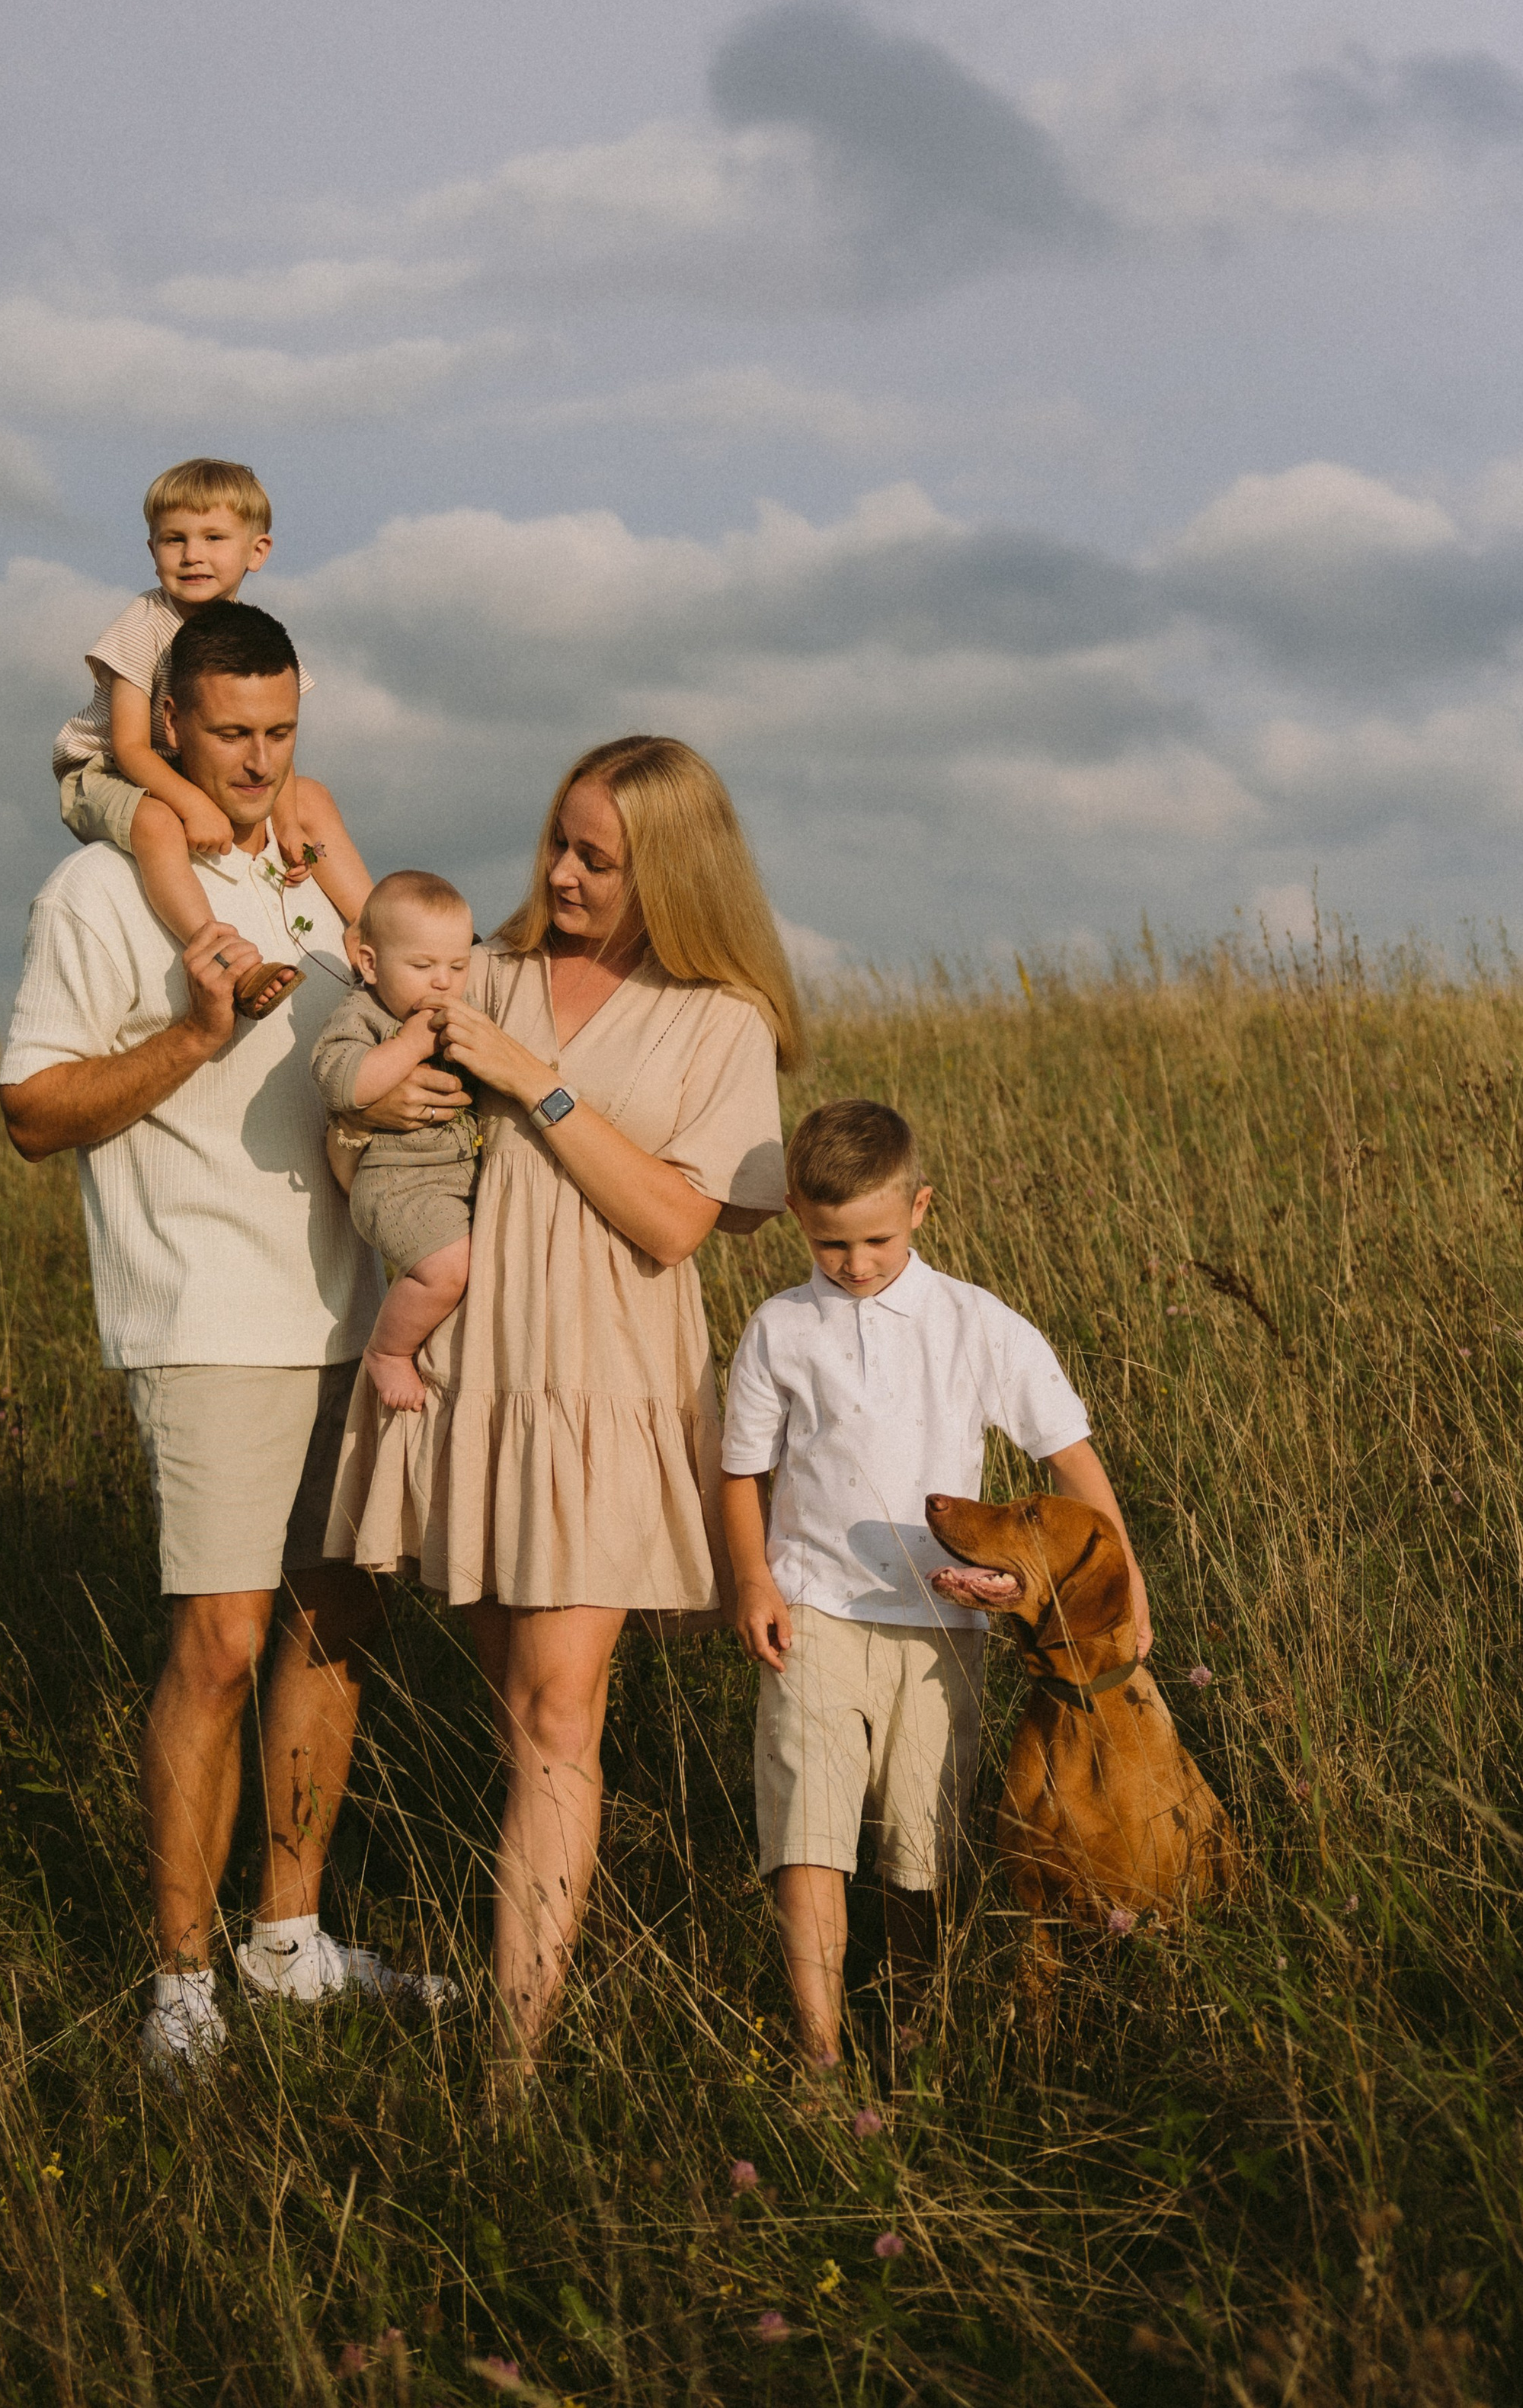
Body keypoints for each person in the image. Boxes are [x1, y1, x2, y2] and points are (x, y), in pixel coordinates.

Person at [0, 595, 459, 2076]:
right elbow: (30, 1112)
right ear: (169, 728)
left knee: (335, 1622)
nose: (258, 761)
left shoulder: (313, 880)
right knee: (217, 1642)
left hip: (355, 1311)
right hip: (205, 1311)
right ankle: (181, 1983)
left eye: (282, 731)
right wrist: (194, 1035)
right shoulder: (98, 892)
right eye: (231, 733)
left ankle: (288, 1941)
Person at [327, 735, 801, 2083]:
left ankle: (511, 2062)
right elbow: (359, 1094)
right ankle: (525, 1976)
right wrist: (386, 1111)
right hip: (471, 1373)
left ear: (675, 872)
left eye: (599, 857)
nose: (563, 871)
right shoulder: (485, 970)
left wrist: (535, 1078)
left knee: (554, 1717)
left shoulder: (720, 1020)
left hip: (606, 1379)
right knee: (518, 1714)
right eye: (559, 840)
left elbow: (676, 1221)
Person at [718, 1097, 1153, 2073]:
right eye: (830, 1243)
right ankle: (820, 2053)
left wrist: (1126, 1582)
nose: (854, 1263)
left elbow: (1068, 1457)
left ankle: (913, 2031)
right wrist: (753, 1581)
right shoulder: (780, 1328)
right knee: (808, 1833)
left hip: (941, 1624)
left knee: (923, 1845)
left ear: (920, 1207)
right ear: (795, 1217)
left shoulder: (974, 1323)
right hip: (813, 1613)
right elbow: (741, 1471)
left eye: (876, 1239)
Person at [50, 456, 370, 991]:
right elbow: (130, 747)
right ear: (152, 550)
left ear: (257, 551)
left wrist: (290, 825)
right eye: (174, 539)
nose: (192, 555)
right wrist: (193, 804)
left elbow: (274, 739)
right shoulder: (143, 625)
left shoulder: (253, 636)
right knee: (157, 823)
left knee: (311, 797)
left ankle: (374, 928)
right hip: (106, 771)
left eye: (214, 538)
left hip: (188, 762)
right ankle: (221, 954)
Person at [310, 870, 480, 1414]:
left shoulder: (457, 1010)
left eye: (458, 967)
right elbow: (341, 1082)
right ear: (370, 963)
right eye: (423, 967)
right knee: (447, 1269)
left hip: (454, 1179)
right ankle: (388, 1351)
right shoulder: (362, 1014)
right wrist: (409, 1046)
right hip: (397, 1184)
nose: (443, 983)